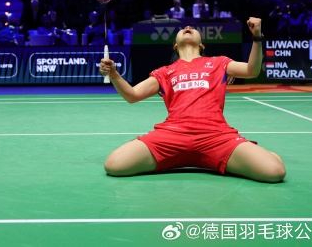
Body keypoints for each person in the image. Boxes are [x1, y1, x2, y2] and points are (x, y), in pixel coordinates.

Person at [98, 17, 286, 183]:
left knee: (275, 172)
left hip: (215, 136)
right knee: (114, 165)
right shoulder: (164, 72)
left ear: (202, 45)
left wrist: (257, 37)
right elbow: (132, 95)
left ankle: (244, 156)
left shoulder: (219, 63)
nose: (187, 27)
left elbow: (252, 71)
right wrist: (114, 75)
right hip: (171, 136)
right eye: (183, 29)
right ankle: (191, 158)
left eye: (192, 29)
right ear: (175, 45)